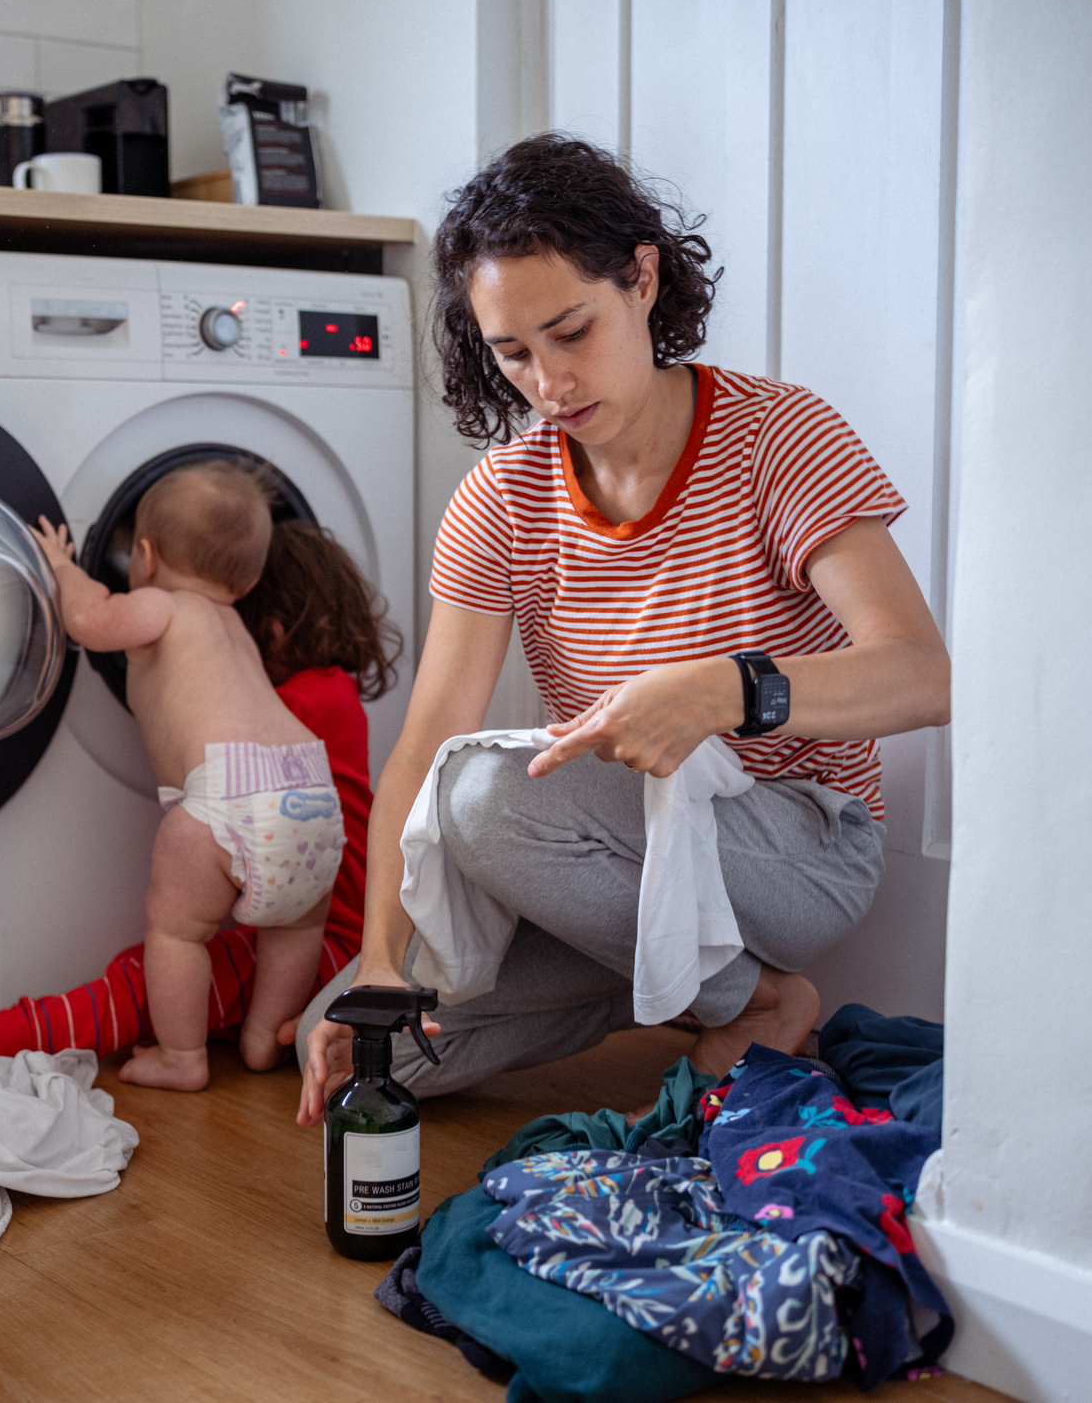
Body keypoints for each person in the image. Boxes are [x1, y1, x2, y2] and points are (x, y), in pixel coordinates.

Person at [294, 135, 952, 1127]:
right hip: (613, 858)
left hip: (798, 844)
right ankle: (706, 991)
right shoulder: (501, 498)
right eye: (514, 352)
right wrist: (383, 960)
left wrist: (725, 690)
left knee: (484, 798)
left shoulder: (781, 438)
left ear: (642, 277)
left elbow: (924, 676)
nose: (550, 382)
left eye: (571, 331)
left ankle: (754, 993)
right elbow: (422, 743)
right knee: (366, 1056)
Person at [0, 519, 399, 1074]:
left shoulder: (290, 700)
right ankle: (259, 1041)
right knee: (176, 965)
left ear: (274, 629)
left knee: (149, 979)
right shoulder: (330, 696)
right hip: (318, 919)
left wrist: (69, 573)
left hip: (342, 958)